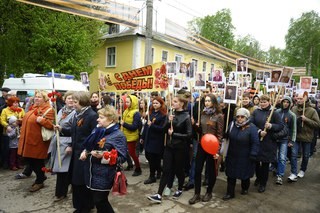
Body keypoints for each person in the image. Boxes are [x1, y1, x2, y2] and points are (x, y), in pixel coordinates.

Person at [80, 105, 128, 213]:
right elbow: (89, 146)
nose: (98, 119)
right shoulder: (97, 129)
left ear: (111, 119)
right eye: (99, 117)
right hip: (90, 172)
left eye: (101, 117)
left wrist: (105, 156)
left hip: (104, 174)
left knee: (100, 201)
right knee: (97, 202)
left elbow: (122, 158)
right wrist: (85, 152)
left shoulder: (118, 135)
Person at [57, 91, 98, 212]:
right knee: (76, 181)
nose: (73, 104)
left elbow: (94, 136)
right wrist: (62, 129)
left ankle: (85, 207)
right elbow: (74, 132)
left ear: (83, 102)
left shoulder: (91, 115)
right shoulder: (77, 114)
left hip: (85, 154)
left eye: (75, 102)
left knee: (82, 181)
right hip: (76, 153)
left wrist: (87, 150)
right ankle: (81, 205)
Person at [147, 93, 192, 203]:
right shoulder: (170, 114)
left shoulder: (186, 117)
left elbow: (189, 135)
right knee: (166, 170)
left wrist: (174, 134)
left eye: (176, 101)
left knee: (178, 170)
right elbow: (163, 129)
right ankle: (158, 194)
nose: (173, 103)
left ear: (182, 103)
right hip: (169, 146)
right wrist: (168, 121)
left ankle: (180, 188)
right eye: (173, 101)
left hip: (180, 148)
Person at [189, 94, 224, 205]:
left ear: (214, 102)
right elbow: (200, 131)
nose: (207, 103)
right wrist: (194, 125)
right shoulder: (202, 113)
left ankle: (209, 192)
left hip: (212, 146)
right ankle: (197, 193)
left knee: (211, 171)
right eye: (205, 101)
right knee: (198, 169)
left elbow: (219, 134)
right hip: (202, 144)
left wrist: (217, 151)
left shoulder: (219, 116)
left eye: (209, 101)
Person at [18, 90, 54, 192]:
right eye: (36, 97)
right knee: (29, 160)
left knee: (36, 161)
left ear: (45, 99)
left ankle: (39, 180)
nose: (36, 98)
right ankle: (41, 177)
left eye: (39, 97)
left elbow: (52, 126)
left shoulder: (49, 110)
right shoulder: (33, 108)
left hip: (38, 141)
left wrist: (42, 121)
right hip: (28, 140)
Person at [222, 108, 259, 200]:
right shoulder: (231, 124)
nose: (240, 119)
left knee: (244, 174)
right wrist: (226, 135)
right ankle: (230, 193)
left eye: (242, 117)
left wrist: (253, 153)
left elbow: (255, 142)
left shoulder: (252, 127)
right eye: (238, 116)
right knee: (230, 174)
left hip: (245, 155)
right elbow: (228, 135)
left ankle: (245, 188)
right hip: (232, 154)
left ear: (246, 117)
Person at [250, 94, 283, 193]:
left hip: (268, 142)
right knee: (255, 162)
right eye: (261, 102)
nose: (263, 104)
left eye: (265, 102)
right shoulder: (256, 111)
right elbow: (251, 124)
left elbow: (280, 126)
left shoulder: (274, 113)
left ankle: (263, 183)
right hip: (257, 140)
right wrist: (259, 131)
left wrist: (271, 126)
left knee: (265, 163)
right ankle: (258, 177)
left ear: (269, 102)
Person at [49, 91, 76, 202]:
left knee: (63, 169)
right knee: (62, 168)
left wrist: (70, 144)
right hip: (58, 141)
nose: (70, 100)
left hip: (67, 142)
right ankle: (65, 189)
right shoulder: (60, 110)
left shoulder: (75, 113)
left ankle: (61, 193)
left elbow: (74, 131)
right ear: (64, 100)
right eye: (68, 98)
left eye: (73, 99)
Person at [290, 93, 320, 180]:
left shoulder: (312, 110)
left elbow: (317, 124)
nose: (299, 100)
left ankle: (302, 170)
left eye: (301, 98)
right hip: (296, 135)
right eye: (298, 98)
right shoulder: (294, 108)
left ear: (306, 99)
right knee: (294, 155)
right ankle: (293, 172)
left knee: (306, 155)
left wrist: (306, 120)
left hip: (307, 136)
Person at [141, 96, 167, 184]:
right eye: (154, 103)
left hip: (157, 139)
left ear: (161, 104)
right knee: (149, 156)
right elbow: (146, 126)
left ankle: (152, 176)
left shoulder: (163, 115)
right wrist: (142, 137)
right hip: (149, 138)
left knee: (154, 158)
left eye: (157, 103)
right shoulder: (151, 113)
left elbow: (163, 129)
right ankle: (159, 170)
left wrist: (152, 125)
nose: (155, 105)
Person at [274, 96, 296, 185]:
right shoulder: (276, 112)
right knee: (274, 157)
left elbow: (293, 129)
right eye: (284, 102)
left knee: (282, 158)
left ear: (290, 104)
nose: (285, 103)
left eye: (287, 102)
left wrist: (292, 140)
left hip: (285, 139)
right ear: (282, 102)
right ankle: (276, 168)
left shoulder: (292, 115)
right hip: (275, 137)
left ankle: (280, 175)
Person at [120, 94, 142, 176]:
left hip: (131, 137)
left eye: (128, 102)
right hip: (124, 136)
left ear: (133, 103)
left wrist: (124, 124)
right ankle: (130, 165)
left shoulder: (136, 113)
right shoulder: (126, 111)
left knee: (132, 153)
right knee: (125, 151)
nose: (126, 103)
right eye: (126, 102)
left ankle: (138, 168)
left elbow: (134, 127)